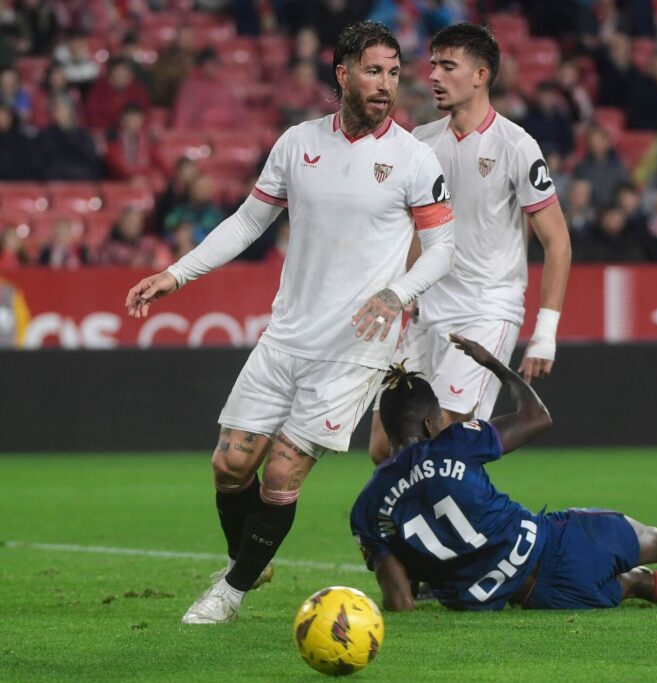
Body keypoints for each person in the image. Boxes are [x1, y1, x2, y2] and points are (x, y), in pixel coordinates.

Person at [124, 21, 456, 624]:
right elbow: (249, 223)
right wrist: (177, 273)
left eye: (393, 72)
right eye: (374, 70)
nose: (386, 84)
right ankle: (248, 559)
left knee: (280, 471)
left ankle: (229, 593)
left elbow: (441, 249)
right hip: (288, 335)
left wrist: (396, 292)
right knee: (230, 466)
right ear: (342, 73)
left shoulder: (413, 158)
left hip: (358, 346)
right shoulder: (298, 143)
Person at [351, 335, 657, 612]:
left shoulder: (367, 509)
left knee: (638, 584)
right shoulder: (452, 441)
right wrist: (493, 363)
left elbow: (401, 602)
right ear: (432, 424)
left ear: (387, 429)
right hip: (555, 544)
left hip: (536, 596)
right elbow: (537, 417)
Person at [366, 23, 571, 464]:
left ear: (480, 76)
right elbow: (416, 233)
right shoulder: (421, 143)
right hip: (425, 311)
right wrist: (398, 296)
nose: (434, 76)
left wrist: (545, 334)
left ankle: (450, 531)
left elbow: (557, 242)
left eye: (448, 66)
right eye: (433, 64)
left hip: (485, 310)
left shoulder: (517, 146)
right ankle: (408, 531)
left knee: (445, 438)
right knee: (385, 447)